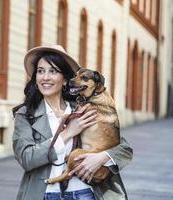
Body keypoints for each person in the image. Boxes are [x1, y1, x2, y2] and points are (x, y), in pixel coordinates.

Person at [12, 45, 133, 200]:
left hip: (87, 193)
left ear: (64, 81)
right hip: (45, 194)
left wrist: (101, 158)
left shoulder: (86, 109)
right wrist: (68, 132)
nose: (45, 77)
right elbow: (26, 159)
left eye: (53, 71)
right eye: (41, 71)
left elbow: (123, 148)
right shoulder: (26, 114)